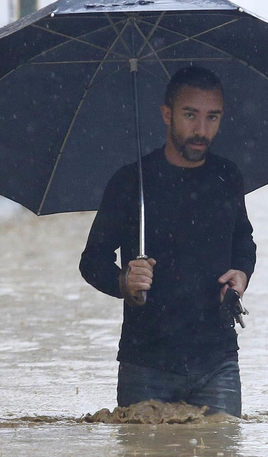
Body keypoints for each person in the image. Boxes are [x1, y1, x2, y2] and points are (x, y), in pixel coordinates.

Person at [79, 65, 257, 417]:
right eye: (190, 115)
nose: (201, 130)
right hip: (147, 365)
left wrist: (241, 275)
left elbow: (244, 241)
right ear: (166, 115)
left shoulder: (227, 176)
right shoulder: (132, 182)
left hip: (217, 361)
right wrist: (123, 281)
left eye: (213, 117)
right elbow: (92, 260)